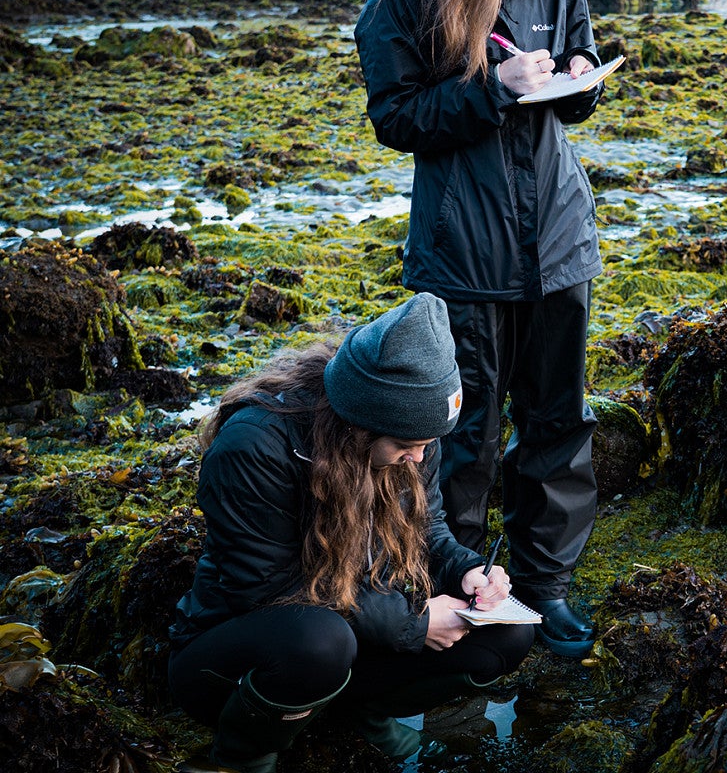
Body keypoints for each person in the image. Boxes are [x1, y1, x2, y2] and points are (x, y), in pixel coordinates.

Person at [354, 0, 602, 659]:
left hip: (560, 242)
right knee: (461, 440)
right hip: (463, 252)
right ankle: (458, 595)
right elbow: (397, 118)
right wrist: (490, 89)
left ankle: (543, 591)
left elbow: (577, 95)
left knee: (557, 424)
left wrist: (576, 74)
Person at [169, 293, 534, 773]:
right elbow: (267, 588)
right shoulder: (255, 446)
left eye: (428, 445)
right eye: (407, 445)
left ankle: (363, 713)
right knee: (320, 643)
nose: (420, 459)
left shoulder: (413, 438)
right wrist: (413, 625)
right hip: (239, 659)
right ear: (361, 424)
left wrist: (466, 569)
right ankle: (241, 757)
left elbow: (427, 530)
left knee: (510, 634)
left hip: (355, 630)